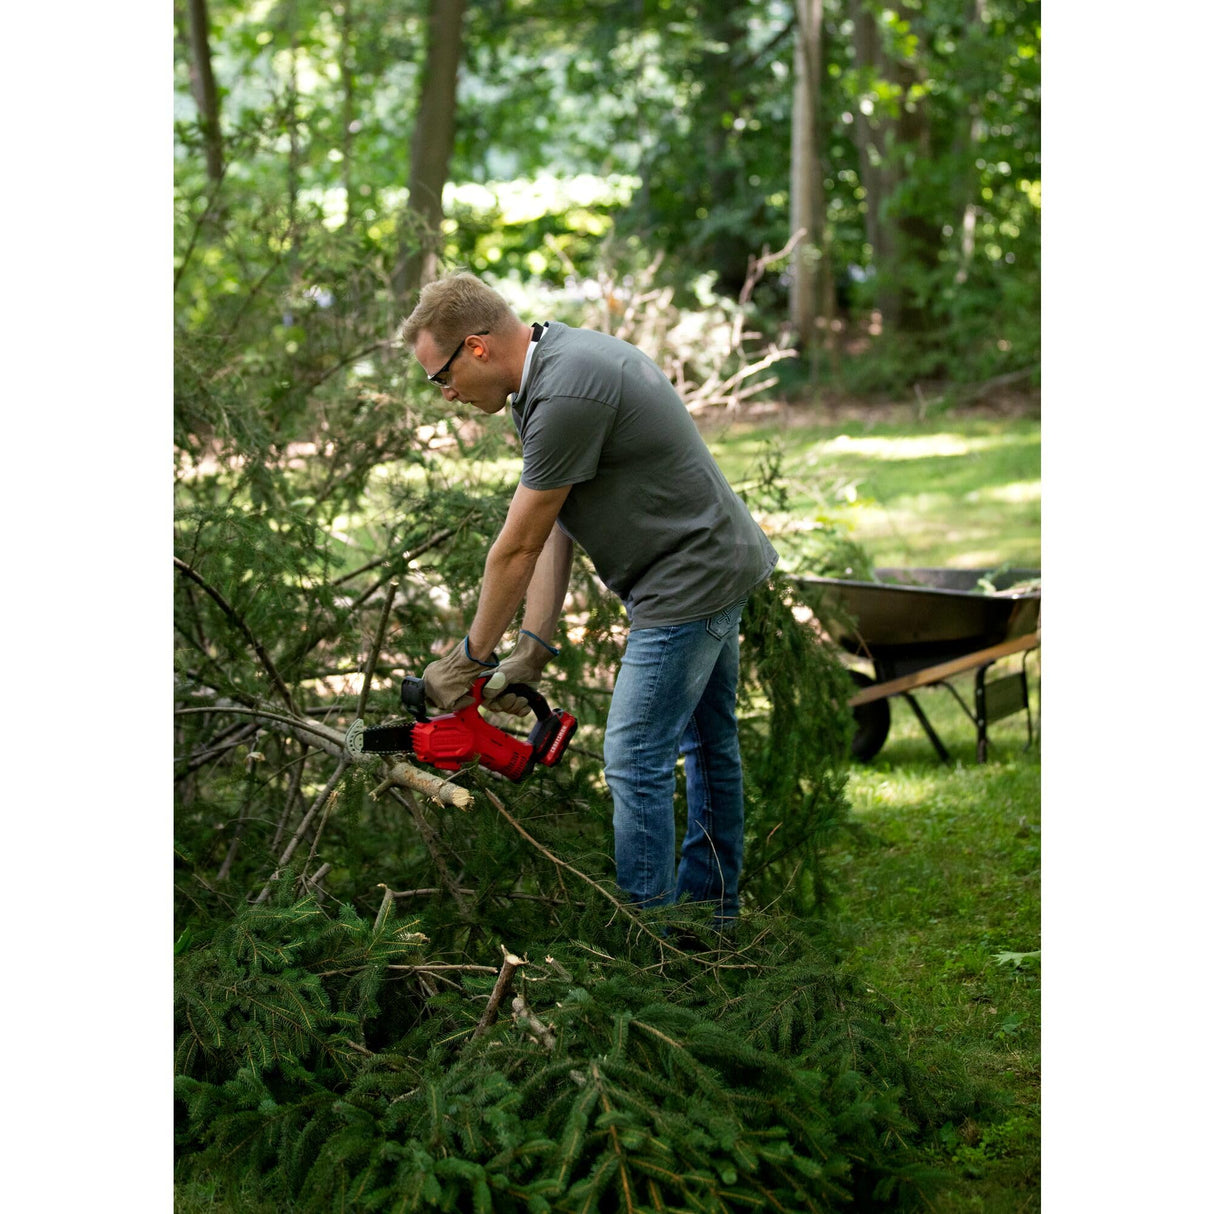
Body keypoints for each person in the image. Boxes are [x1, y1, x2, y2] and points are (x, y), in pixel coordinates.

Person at [398, 272, 778, 928]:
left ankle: (650, 941)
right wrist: (531, 647)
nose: (447, 394)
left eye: (442, 378)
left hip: (687, 580)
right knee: (708, 743)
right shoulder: (545, 377)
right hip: (707, 562)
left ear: (477, 347)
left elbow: (515, 548)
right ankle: (712, 922)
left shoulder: (566, 390)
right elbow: (553, 524)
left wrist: (467, 660)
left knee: (633, 757)